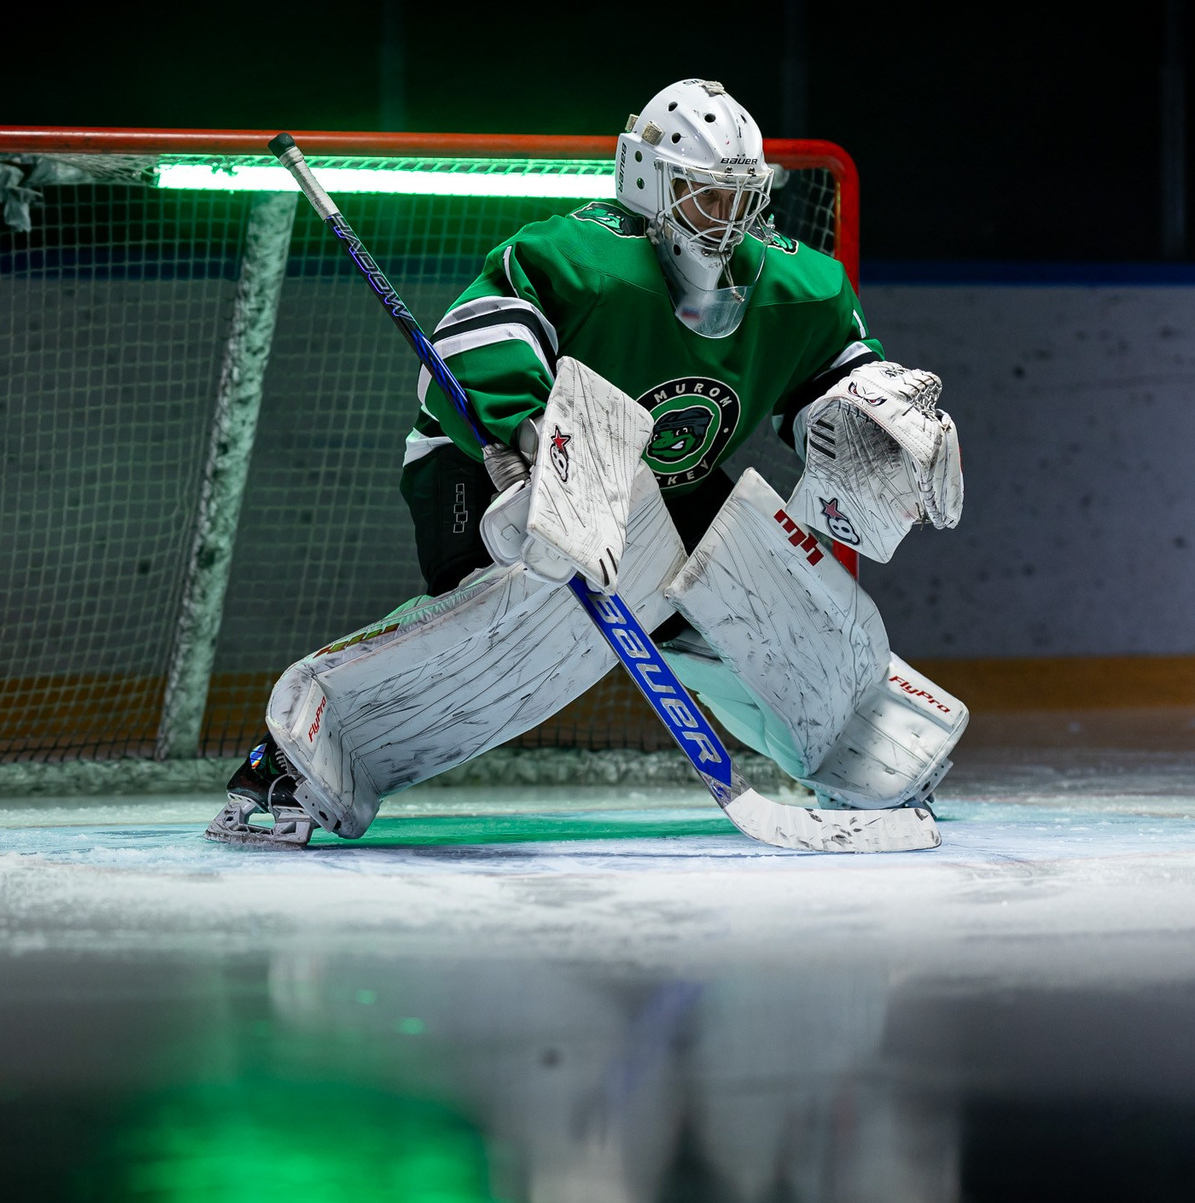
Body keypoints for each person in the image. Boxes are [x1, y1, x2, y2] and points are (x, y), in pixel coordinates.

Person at [210, 78, 967, 849]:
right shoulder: (579, 256)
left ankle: (865, 748)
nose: (725, 221)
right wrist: (533, 431)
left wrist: (872, 420)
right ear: (648, 180)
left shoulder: (797, 287)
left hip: (656, 480)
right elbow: (475, 335)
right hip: (483, 463)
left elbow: (830, 373)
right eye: (706, 196)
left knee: (764, 586)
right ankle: (300, 755)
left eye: (740, 200)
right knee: (532, 623)